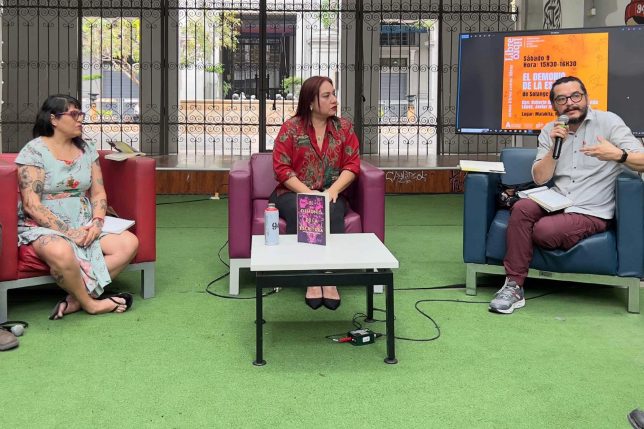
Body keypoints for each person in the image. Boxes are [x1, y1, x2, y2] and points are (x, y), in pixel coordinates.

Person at [489, 76, 644, 314]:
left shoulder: (609, 122)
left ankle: (522, 261)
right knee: (521, 208)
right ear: (554, 106)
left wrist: (616, 154)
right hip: (557, 201)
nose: (570, 103)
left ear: (586, 98)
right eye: (561, 99)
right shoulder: (550, 131)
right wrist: (554, 147)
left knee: (542, 231)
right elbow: (540, 179)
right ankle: (514, 286)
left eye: (575, 96)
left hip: (591, 209)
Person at [16, 95, 139, 319]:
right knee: (60, 252)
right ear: (53, 119)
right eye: (74, 114)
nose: (80, 119)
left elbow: (98, 192)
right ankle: (91, 304)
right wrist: (69, 233)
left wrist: (97, 222)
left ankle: (75, 299)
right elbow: (32, 205)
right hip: (44, 225)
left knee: (129, 243)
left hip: (84, 220)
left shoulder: (88, 150)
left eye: (80, 114)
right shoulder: (34, 152)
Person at [271, 76, 360, 310]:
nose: (334, 100)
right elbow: (281, 168)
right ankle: (311, 276)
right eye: (326, 96)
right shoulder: (291, 128)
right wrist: (308, 193)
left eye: (334, 94)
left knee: (331, 209)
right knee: (305, 208)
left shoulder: (344, 128)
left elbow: (352, 165)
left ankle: (329, 277)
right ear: (310, 102)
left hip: (331, 192)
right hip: (292, 192)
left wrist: (332, 191)